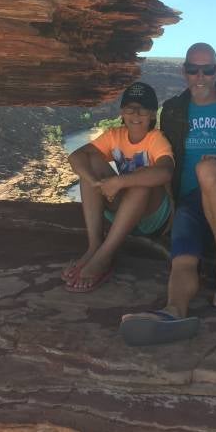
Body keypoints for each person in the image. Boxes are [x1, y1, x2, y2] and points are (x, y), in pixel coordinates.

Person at [119, 43, 216, 345]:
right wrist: (168, 204)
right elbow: (165, 157)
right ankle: (172, 312)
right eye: (193, 69)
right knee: (182, 258)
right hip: (191, 199)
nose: (200, 76)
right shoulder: (174, 110)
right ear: (184, 71)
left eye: (207, 70)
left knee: (208, 170)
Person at [62, 82, 174, 292]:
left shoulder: (156, 139)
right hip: (125, 212)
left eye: (143, 109)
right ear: (122, 112)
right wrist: (95, 183)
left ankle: (104, 257)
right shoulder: (114, 135)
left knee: (142, 179)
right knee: (90, 163)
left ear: (152, 114)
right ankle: (94, 246)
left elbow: (165, 172)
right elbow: (76, 156)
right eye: (130, 108)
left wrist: (119, 182)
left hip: (154, 217)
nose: (136, 114)